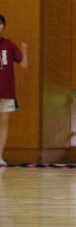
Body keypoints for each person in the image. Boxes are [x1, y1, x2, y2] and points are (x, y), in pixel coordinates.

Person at [0, 14, 28, 167]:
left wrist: (25, 52)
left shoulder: (9, 44)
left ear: (3, 26)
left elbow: (23, 64)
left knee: (4, 123)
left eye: (0, 23)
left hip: (7, 91)